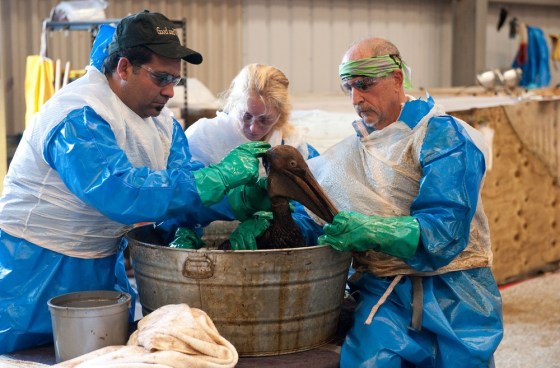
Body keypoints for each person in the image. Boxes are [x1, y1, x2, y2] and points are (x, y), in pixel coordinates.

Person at [0, 10, 270, 354]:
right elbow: (118, 191)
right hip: (33, 271)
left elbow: (183, 185)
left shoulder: (163, 124)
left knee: (102, 355)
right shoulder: (77, 115)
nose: (170, 91)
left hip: (101, 265)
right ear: (124, 67)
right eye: (160, 78)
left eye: (176, 80)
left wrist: (236, 202)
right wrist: (216, 177)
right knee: (26, 359)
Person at [229, 37, 503, 366]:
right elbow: (324, 219)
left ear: (397, 79)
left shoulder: (444, 138)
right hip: (385, 295)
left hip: (455, 294)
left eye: (364, 85)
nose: (356, 98)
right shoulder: (353, 153)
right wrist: (276, 224)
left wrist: (369, 229)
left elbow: (443, 234)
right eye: (348, 88)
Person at [185, 63, 319, 168]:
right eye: (246, 116)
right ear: (233, 105)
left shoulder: (290, 143)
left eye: (265, 120)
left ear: (280, 116)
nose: (253, 129)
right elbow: (187, 190)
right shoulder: (204, 137)